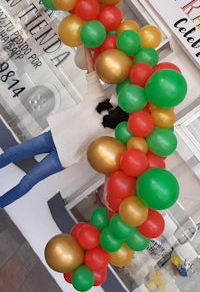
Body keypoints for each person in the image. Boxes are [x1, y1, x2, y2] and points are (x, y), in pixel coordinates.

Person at [0, 46, 128, 208]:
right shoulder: (98, 98)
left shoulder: (117, 132)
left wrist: (107, 189)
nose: (114, 97)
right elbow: (91, 72)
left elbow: (110, 162)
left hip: (62, 158)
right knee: (10, 154)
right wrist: (86, 45)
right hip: (51, 137)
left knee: (27, 182)